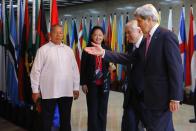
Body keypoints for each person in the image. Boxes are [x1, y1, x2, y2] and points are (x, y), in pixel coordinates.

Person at [85, 4, 183, 131]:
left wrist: (175, 97)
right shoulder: (149, 39)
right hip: (150, 98)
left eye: (140, 21)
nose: (139, 26)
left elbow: (175, 68)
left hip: (161, 98)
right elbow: (129, 58)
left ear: (149, 19)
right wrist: (104, 53)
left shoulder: (166, 36)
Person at [30, 24, 80, 131]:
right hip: (49, 92)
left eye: (60, 32)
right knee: (46, 120)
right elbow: (35, 72)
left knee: (66, 120)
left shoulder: (69, 50)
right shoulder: (42, 50)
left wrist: (76, 87)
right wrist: (35, 90)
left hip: (66, 91)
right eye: (55, 32)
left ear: (63, 35)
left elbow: (75, 70)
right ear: (50, 34)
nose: (58, 35)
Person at [80, 26, 111, 131]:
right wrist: (83, 83)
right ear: (92, 36)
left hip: (105, 84)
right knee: (93, 110)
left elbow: (111, 64)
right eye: (95, 35)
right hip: (91, 84)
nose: (98, 37)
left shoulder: (107, 49)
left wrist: (112, 67)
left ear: (103, 37)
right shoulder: (87, 49)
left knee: (102, 110)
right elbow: (83, 67)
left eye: (100, 35)